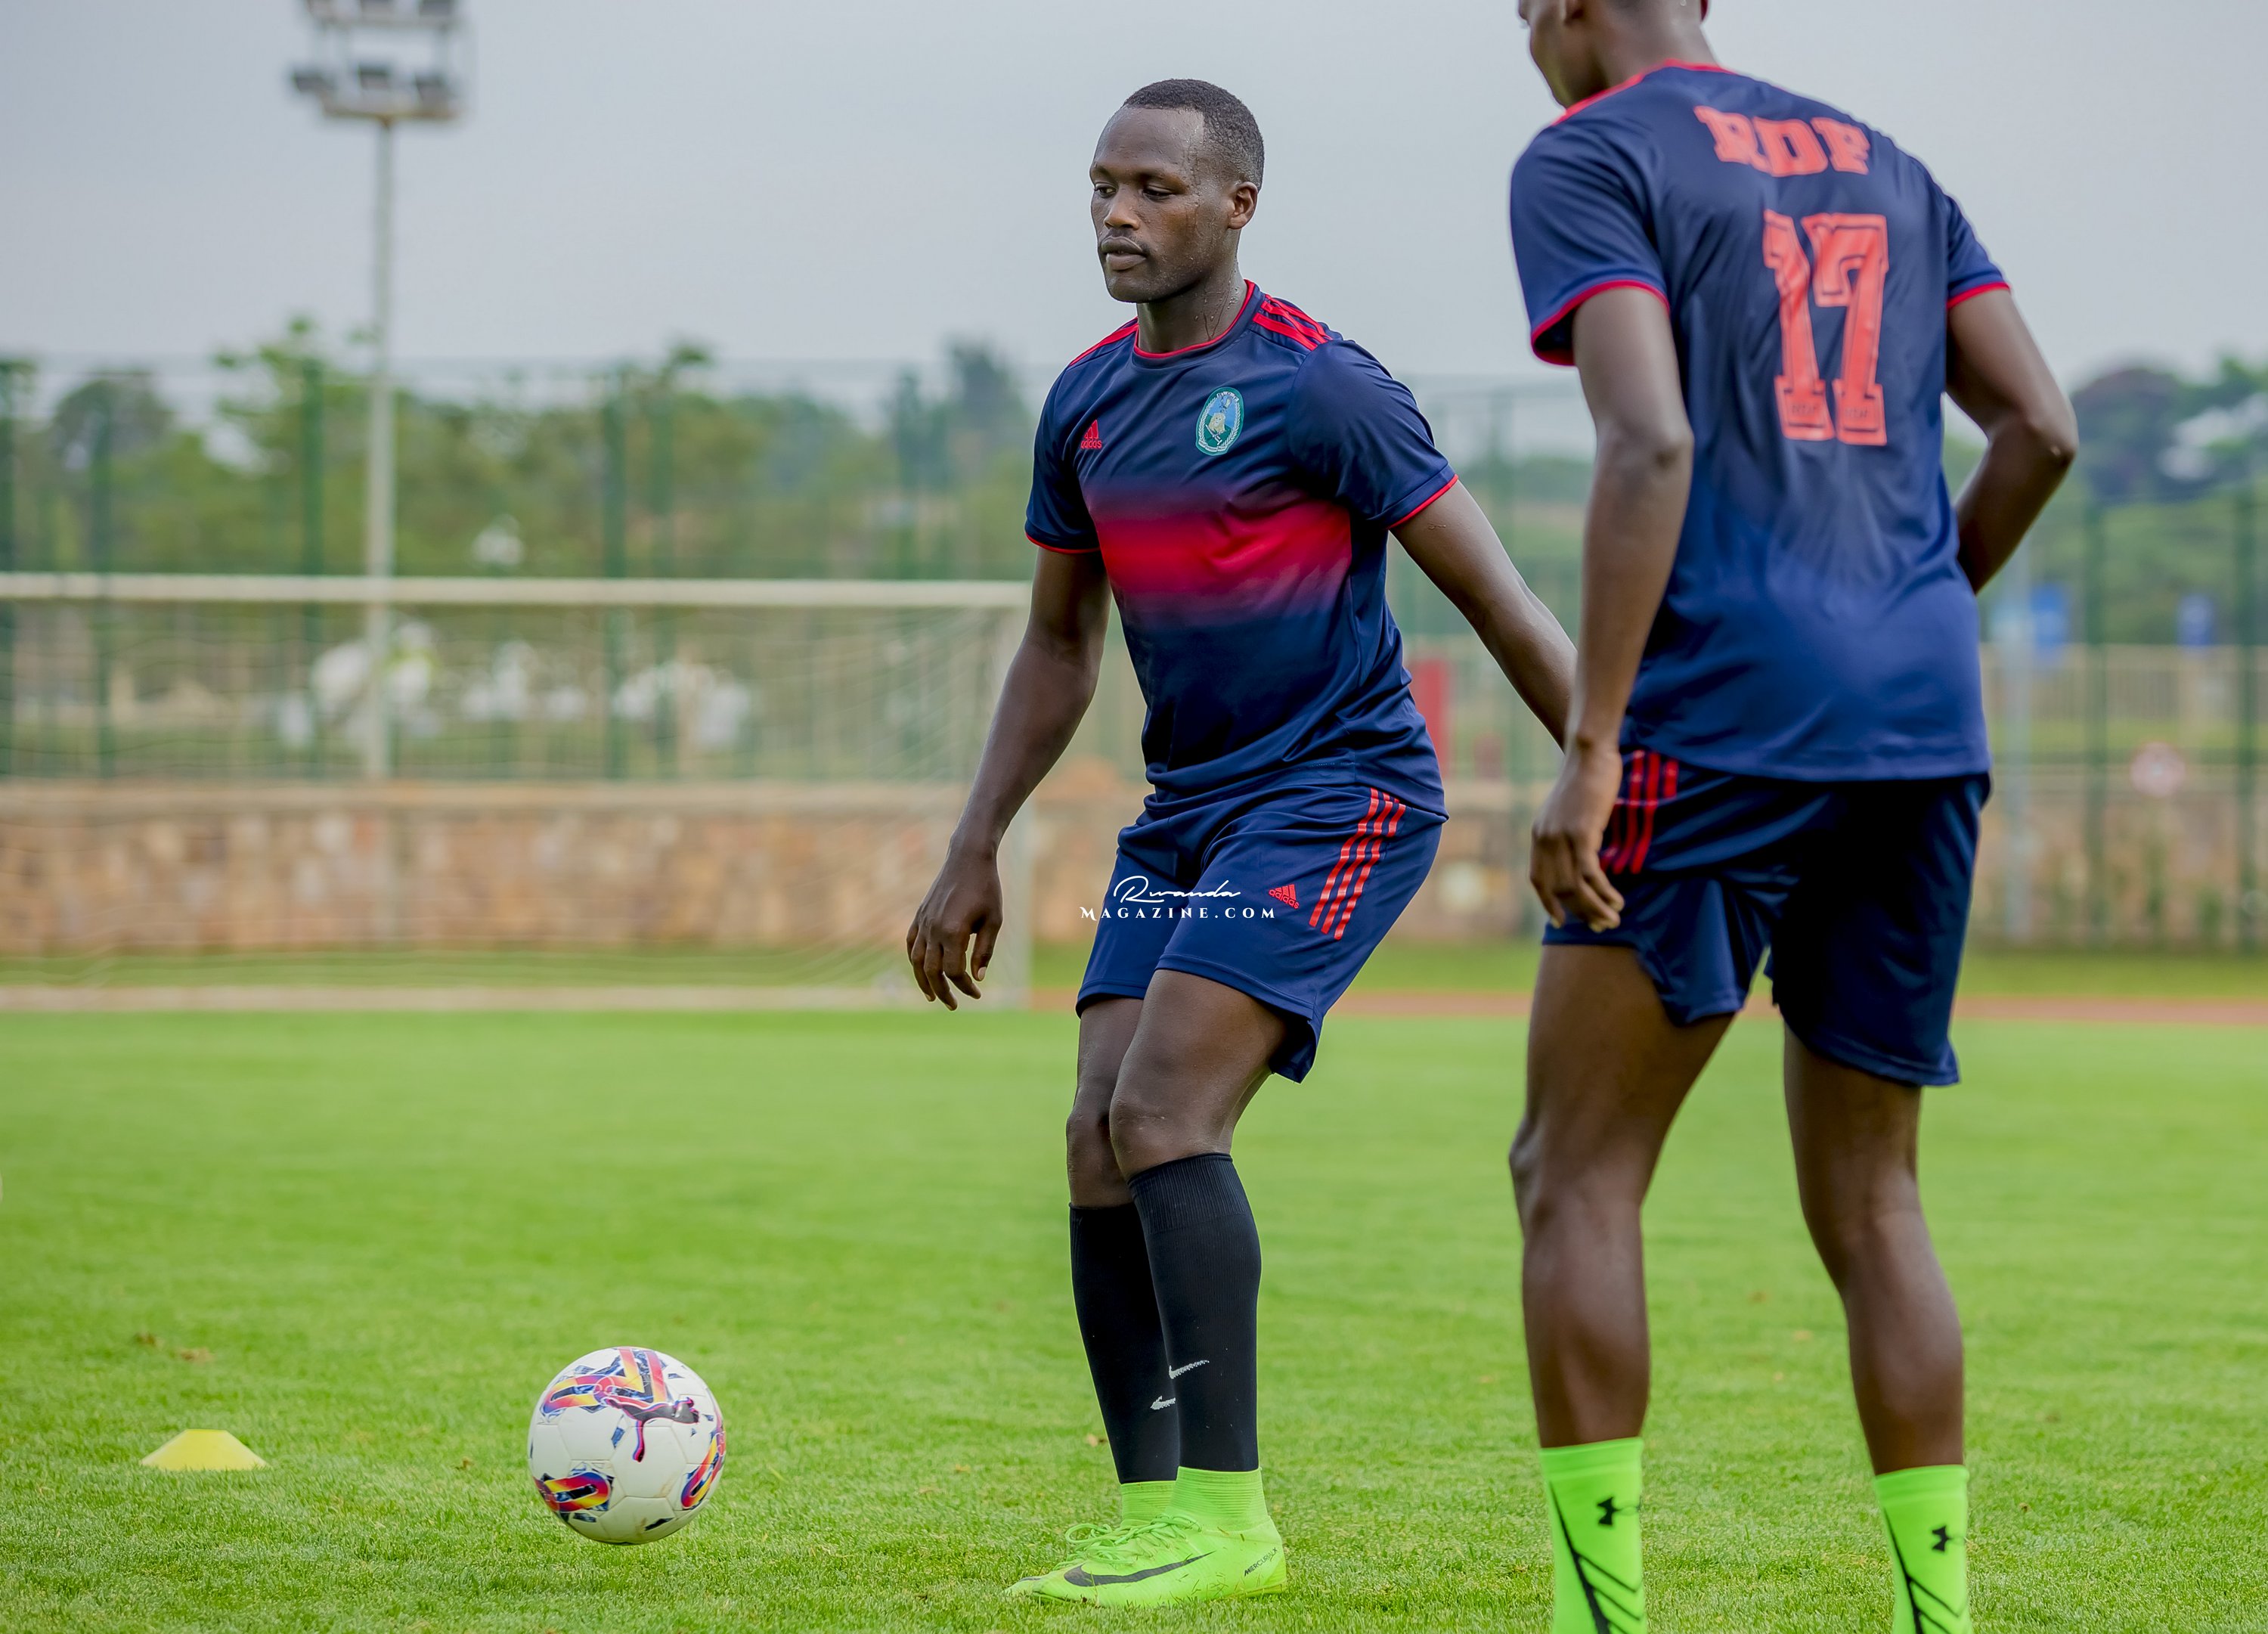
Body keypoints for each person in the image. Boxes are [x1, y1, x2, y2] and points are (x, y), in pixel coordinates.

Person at [906, 78, 1576, 1607]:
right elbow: (1059, 646)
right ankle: (1154, 1514)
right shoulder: (1085, 403)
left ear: (1235, 206)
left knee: (1163, 1111)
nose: (1117, 214)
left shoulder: (1322, 388)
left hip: (1342, 791)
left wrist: (1614, 780)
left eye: (1153, 187)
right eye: (1102, 186)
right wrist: (974, 841)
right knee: (1095, 1131)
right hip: (1188, 811)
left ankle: (1232, 1521)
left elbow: (1498, 598)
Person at [1503, 4, 2077, 1632]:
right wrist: (1906, 612)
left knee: (1576, 1171)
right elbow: (2043, 429)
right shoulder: (1889, 162)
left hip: (1718, 715)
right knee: (1877, 1201)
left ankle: (1602, 1618)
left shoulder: (1590, 155)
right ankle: (1935, 1618)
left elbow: (1652, 438)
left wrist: (1593, 741)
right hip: (1921, 721)